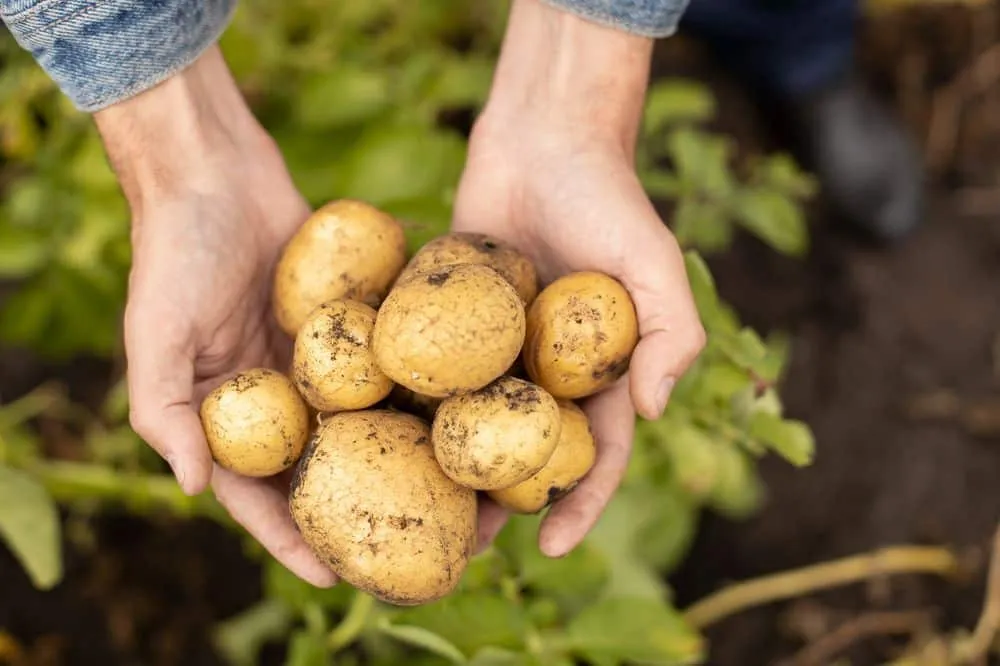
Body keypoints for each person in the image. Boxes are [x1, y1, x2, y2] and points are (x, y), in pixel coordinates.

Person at [0, 0, 920, 587]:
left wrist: (581, 91)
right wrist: (177, 154)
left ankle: (804, 55)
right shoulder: (374, 363)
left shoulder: (452, 349)